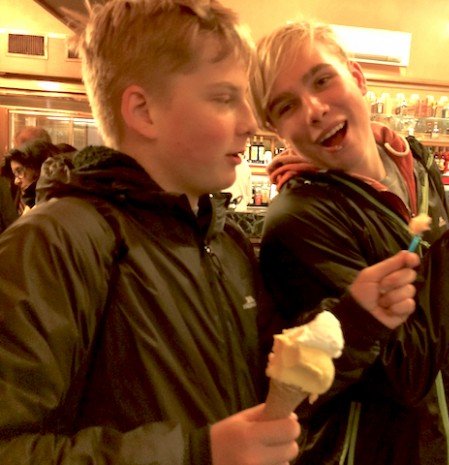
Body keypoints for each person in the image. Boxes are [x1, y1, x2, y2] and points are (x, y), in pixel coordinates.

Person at [0, 2, 420, 464]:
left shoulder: (225, 243)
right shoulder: (54, 243)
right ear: (143, 111)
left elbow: (272, 385)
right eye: (224, 99)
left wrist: (355, 319)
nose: (250, 122)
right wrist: (198, 454)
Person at [249, 21, 449, 465]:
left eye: (322, 80)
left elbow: (442, 292)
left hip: (447, 438)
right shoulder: (299, 220)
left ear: (356, 77)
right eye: (286, 106)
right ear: (278, 130)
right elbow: (400, 371)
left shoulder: (414, 163)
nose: (314, 109)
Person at [5, 139, 60, 214]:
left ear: (39, 167)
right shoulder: (32, 202)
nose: (16, 181)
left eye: (19, 171)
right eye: (15, 174)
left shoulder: (51, 205)